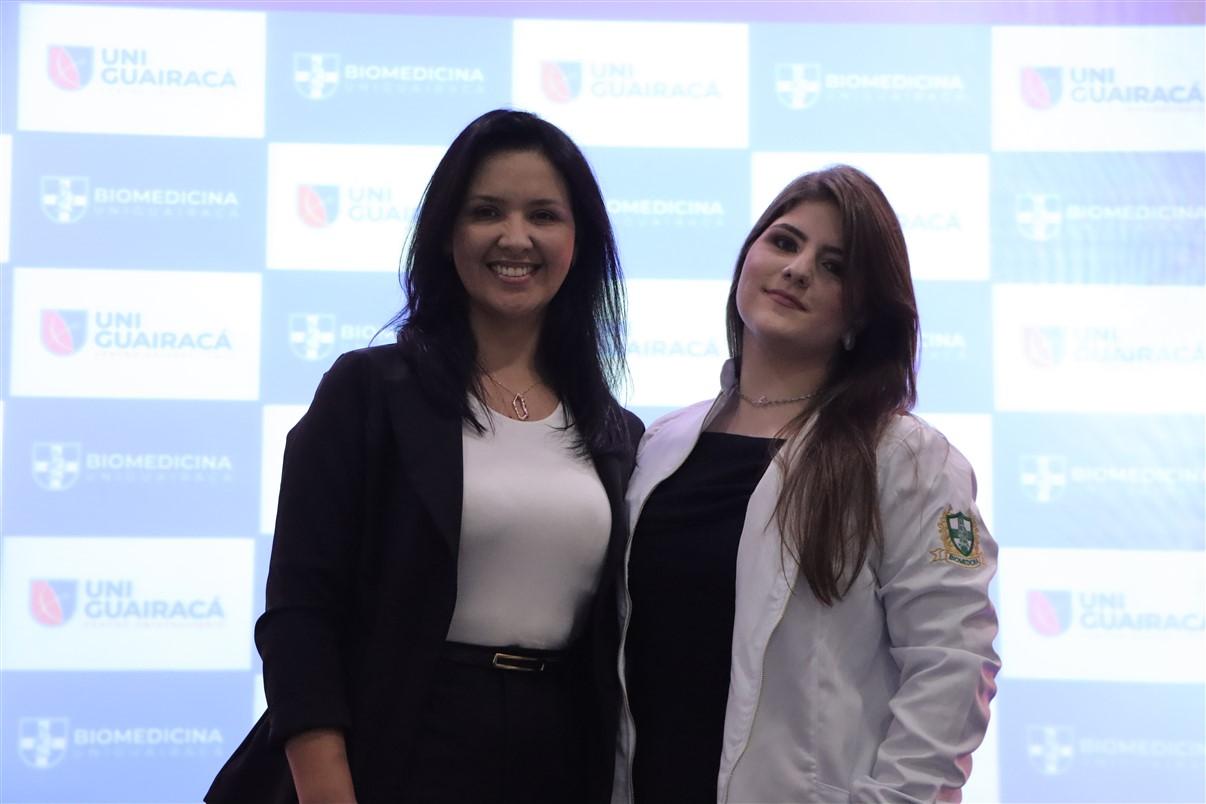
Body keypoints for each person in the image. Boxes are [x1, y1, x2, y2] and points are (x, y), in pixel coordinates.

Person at [206, 109, 643, 804]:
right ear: (445, 234)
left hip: (559, 752)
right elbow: (300, 615)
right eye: (486, 212)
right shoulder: (368, 392)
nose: (515, 237)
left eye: (544, 215)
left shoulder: (616, 432)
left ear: (579, 240)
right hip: (397, 741)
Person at [614, 165, 1000, 803]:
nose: (797, 270)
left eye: (834, 266)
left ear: (862, 313)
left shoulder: (905, 458)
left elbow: (952, 664)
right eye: (785, 242)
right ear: (748, 258)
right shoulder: (661, 446)